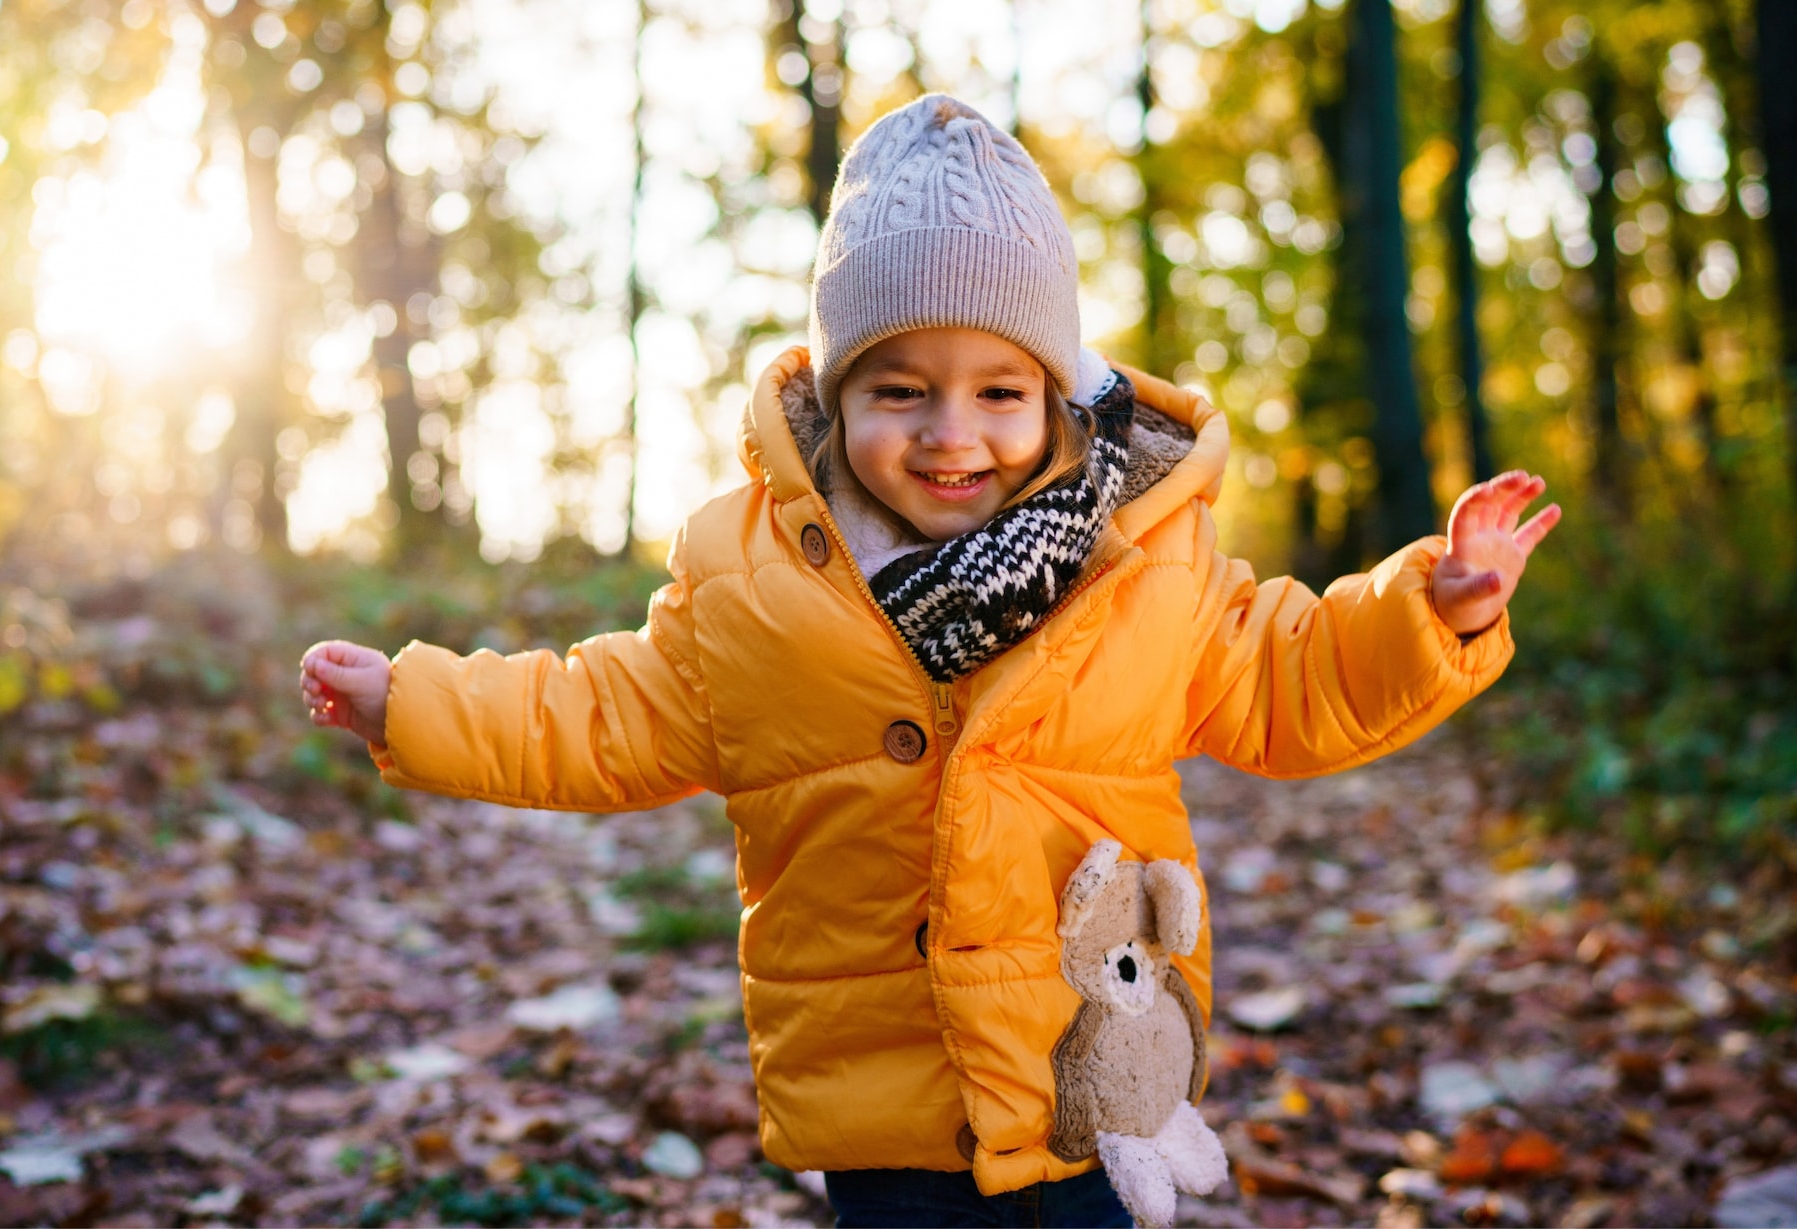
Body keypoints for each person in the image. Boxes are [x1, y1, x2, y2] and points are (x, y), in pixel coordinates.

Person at [299, 95, 1559, 1229]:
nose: (952, 434)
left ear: (1056, 395)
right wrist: (414, 698)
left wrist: (1426, 612)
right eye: (900, 390)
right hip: (884, 1095)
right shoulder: (757, 583)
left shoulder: (1140, 563)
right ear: (836, 401)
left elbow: (1294, 675)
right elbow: (594, 709)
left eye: (998, 392)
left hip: (1093, 1065)